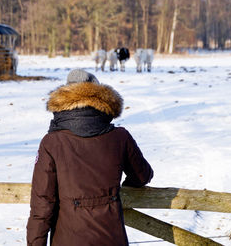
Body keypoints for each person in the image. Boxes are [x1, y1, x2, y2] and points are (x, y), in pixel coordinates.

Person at [27, 69, 153, 246]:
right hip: (111, 237)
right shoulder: (120, 137)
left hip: (68, 239)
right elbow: (143, 176)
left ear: (63, 99)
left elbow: (42, 205)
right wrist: (123, 189)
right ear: (102, 99)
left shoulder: (52, 142)